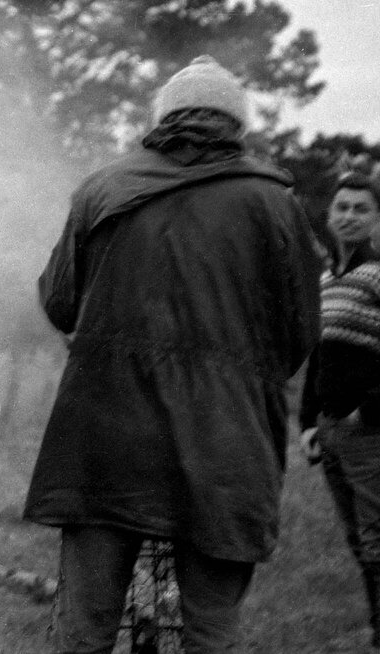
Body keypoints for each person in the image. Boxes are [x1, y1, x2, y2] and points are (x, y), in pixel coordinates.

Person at [23, 55, 321, 653]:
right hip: (225, 447)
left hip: (104, 442)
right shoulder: (276, 205)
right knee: (211, 635)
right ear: (236, 124)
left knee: (84, 631)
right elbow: (300, 337)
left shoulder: (103, 189)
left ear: (163, 119)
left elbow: (58, 305)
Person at [299, 172, 380, 648]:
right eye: (342, 207)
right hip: (330, 432)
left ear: (376, 219)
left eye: (361, 208)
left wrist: (366, 414)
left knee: (377, 542)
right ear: (329, 217)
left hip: (370, 433)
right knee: (359, 543)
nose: (349, 216)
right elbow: (319, 355)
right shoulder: (327, 279)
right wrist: (308, 422)